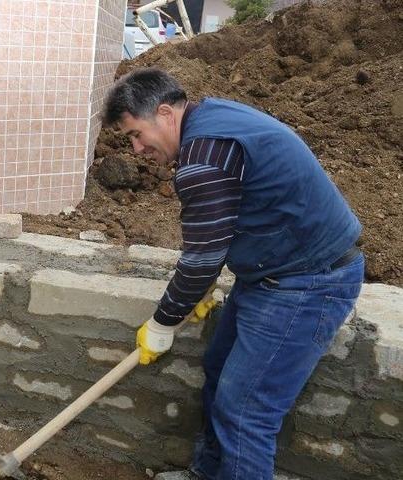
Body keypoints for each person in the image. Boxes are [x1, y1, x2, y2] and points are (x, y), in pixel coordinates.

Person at [103, 69, 363, 479]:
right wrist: (202, 289)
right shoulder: (211, 120)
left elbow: (204, 256)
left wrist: (162, 322)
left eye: (136, 134)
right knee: (219, 372)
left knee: (245, 412)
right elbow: (218, 234)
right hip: (271, 273)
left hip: (307, 283)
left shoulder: (205, 153)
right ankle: (206, 473)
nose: (136, 149)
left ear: (166, 113)